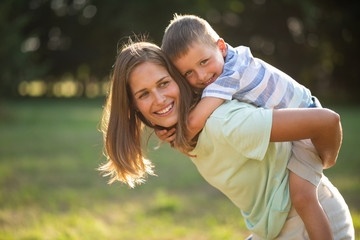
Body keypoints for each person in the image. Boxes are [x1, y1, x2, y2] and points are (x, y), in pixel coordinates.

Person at [99, 41, 354, 239]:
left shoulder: (224, 122)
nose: (159, 99)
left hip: (309, 227)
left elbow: (327, 121)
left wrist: (326, 159)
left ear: (178, 80)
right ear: (133, 107)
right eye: (144, 94)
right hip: (274, 228)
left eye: (164, 83)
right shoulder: (188, 129)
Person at [159, 14, 335, 240]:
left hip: (307, 122)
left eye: (204, 62)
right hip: (294, 121)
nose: (202, 76)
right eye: (188, 74)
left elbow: (193, 123)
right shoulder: (223, 65)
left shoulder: (230, 74)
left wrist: (171, 136)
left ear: (221, 47)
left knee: (302, 197)